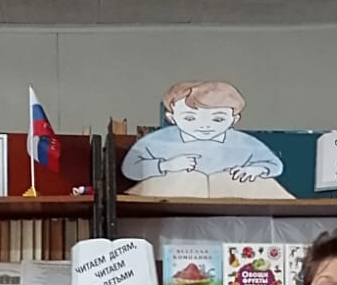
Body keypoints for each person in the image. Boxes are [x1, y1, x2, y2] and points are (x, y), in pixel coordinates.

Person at [121, 81, 291, 200]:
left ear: (234, 119)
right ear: (172, 118)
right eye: (190, 118)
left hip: (235, 199)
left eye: (217, 119)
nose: (204, 126)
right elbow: (130, 168)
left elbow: (275, 165)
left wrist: (257, 169)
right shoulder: (157, 141)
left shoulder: (243, 142)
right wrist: (165, 166)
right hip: (170, 199)